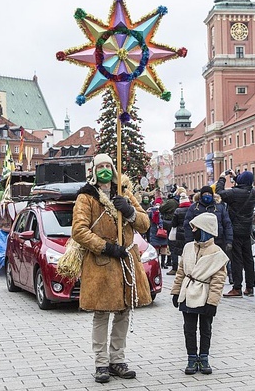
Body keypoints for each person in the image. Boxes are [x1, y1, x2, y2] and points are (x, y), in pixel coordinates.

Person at [71, 153, 151, 383]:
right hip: (101, 262)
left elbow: (145, 224)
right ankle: (101, 363)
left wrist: (130, 211)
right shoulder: (86, 197)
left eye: (109, 165)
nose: (105, 169)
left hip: (125, 262)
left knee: (124, 311)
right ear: (94, 171)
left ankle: (118, 359)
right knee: (101, 313)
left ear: (114, 169)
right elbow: (79, 230)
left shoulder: (123, 192)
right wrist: (105, 247)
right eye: (101, 166)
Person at [171, 213, 228, 375]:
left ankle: (204, 358)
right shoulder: (188, 247)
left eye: (195, 228)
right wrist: (176, 292)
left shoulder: (216, 252)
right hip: (187, 293)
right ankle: (191, 357)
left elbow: (218, 281)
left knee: (205, 328)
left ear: (204, 229)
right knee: (189, 329)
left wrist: (213, 302)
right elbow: (181, 271)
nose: (192, 230)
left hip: (205, 294)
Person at [216, 170, 255, 297]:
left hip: (235, 229)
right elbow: (244, 184)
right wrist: (236, 177)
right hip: (246, 230)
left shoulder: (235, 193)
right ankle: (250, 287)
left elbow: (219, 193)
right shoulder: (253, 192)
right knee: (248, 259)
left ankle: (237, 287)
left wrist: (222, 179)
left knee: (236, 260)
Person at [183, 186, 233, 257]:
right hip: (199, 243)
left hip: (218, 241)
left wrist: (229, 241)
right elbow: (187, 225)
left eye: (209, 194)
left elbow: (227, 225)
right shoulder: (194, 208)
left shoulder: (219, 207)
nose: (207, 196)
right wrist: (189, 241)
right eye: (205, 194)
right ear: (201, 195)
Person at [168, 191, 192, 275]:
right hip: (190, 233)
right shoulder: (191, 209)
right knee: (189, 251)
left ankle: (176, 268)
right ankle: (188, 269)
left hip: (179, 233)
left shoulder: (178, 210)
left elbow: (174, 223)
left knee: (178, 251)